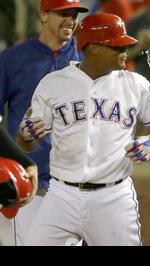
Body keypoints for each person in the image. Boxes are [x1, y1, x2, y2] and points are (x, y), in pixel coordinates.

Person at [17, 13, 150, 246]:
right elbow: (25, 142)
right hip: (62, 196)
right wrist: (26, 135)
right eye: (116, 46)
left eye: (125, 45)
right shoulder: (53, 83)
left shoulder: (135, 83)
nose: (124, 51)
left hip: (113, 197)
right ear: (92, 48)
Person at [0, 0, 89, 245]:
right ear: (44, 16)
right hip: (29, 188)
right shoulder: (12, 59)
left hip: (75, 187)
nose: (71, 20)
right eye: (63, 13)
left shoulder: (88, 58)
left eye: (74, 14)